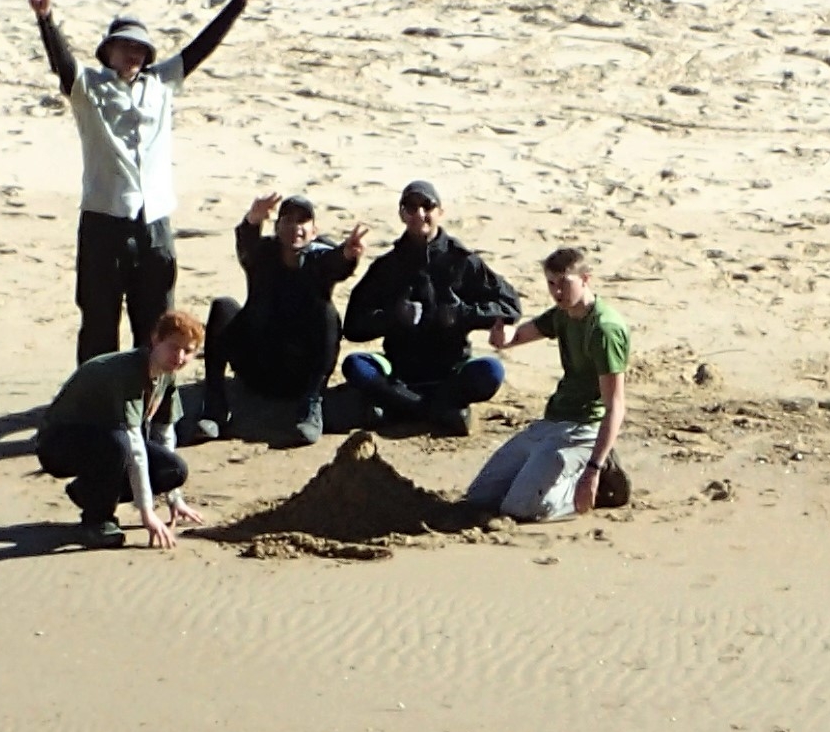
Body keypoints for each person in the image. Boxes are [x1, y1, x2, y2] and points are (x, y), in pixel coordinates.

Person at [30, 0, 261, 364]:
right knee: (100, 320)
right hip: (104, 219)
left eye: (139, 48)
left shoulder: (162, 83)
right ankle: (96, 406)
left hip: (154, 221)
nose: (132, 54)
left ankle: (154, 410)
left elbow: (201, 48)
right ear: (109, 51)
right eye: (124, 46)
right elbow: (62, 64)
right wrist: (45, 18)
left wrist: (239, 1)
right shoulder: (88, 87)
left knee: (156, 322)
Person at [187, 191, 368, 447]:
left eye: (302, 221)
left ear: (313, 231)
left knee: (328, 314)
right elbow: (247, 247)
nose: (295, 227)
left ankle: (311, 406)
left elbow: (335, 263)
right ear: (277, 227)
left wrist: (348, 255)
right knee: (223, 307)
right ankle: (214, 405)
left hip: (297, 375)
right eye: (288, 220)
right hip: (257, 367)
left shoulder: (318, 259)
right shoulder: (264, 254)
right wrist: (252, 220)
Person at [340, 180, 519, 436]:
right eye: (411, 207)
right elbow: (354, 326)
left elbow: (509, 305)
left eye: (427, 206)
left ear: (440, 212)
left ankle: (403, 409)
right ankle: (434, 411)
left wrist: (463, 316)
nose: (419, 214)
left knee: (492, 370)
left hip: (451, 372)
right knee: (355, 366)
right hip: (398, 371)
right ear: (402, 214)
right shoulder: (388, 265)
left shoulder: (462, 261)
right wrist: (393, 318)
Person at [468, 247, 632, 521]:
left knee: (519, 508)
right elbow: (519, 335)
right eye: (551, 284)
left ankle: (599, 485)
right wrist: (504, 335)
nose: (557, 293)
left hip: (584, 429)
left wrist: (593, 468)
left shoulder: (604, 330)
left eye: (563, 284)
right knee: (480, 497)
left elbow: (615, 406)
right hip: (552, 422)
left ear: (585, 279)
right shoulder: (563, 313)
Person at [35, 308, 207, 549]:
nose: (179, 357)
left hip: (106, 441)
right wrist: (147, 514)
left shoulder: (166, 374)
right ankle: (97, 521)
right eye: (173, 347)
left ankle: (88, 491)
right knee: (119, 444)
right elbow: (134, 446)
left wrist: (174, 498)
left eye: (188, 351)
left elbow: (165, 433)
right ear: (156, 339)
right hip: (58, 444)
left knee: (173, 470)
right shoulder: (126, 372)